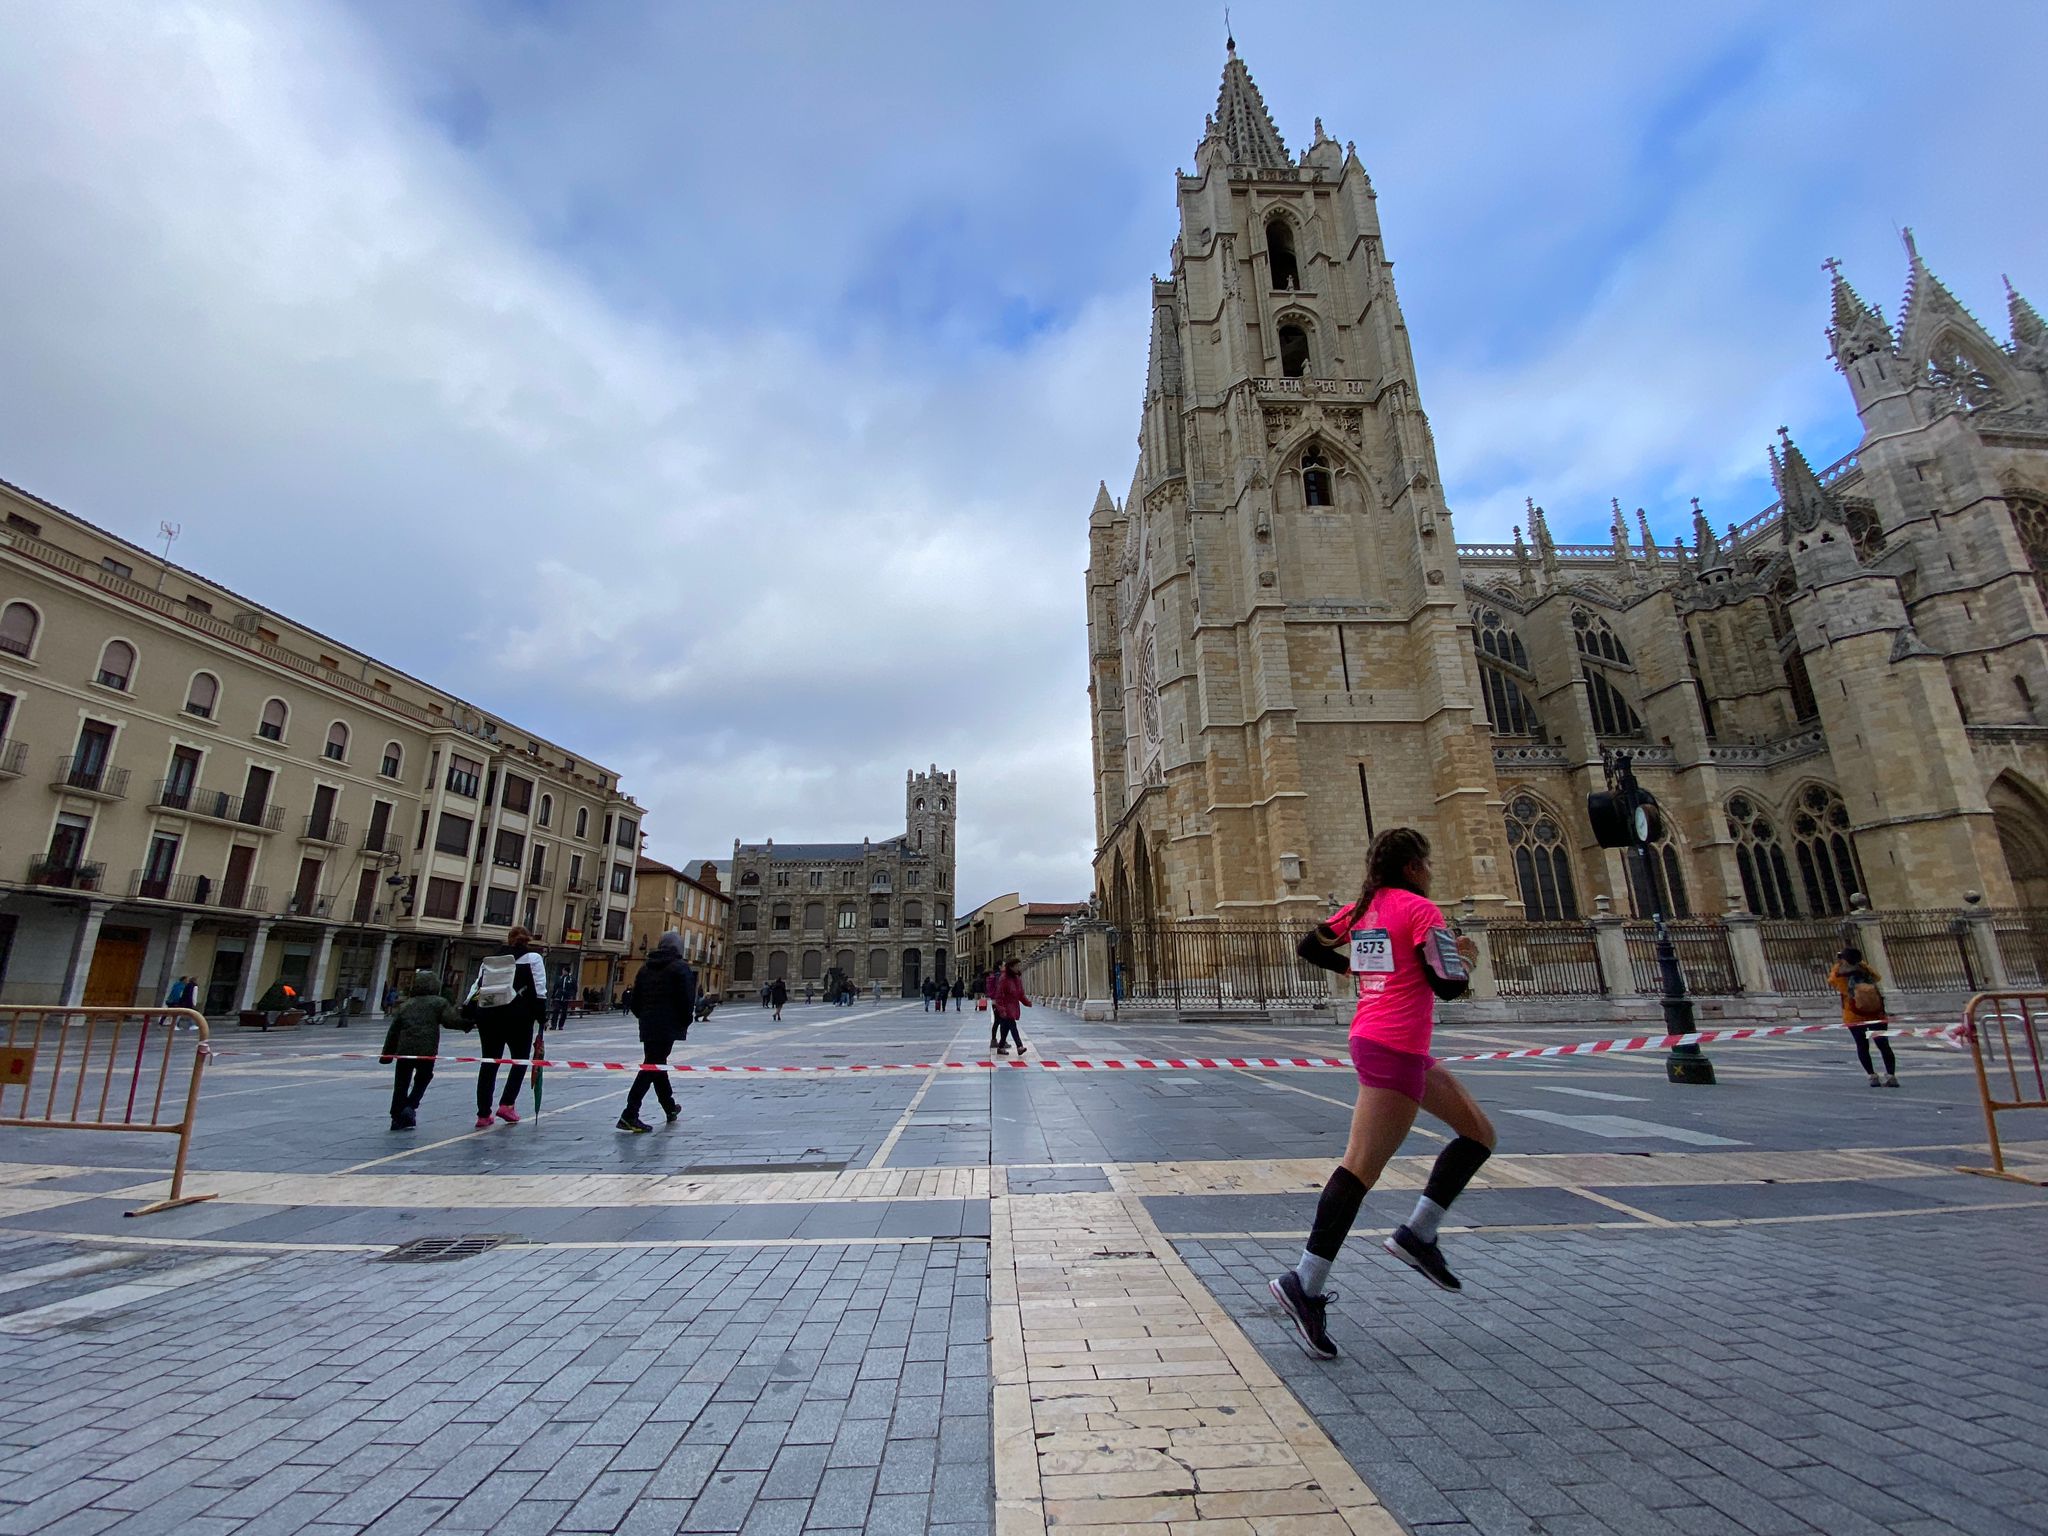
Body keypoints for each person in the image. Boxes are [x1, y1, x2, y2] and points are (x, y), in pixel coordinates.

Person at [1266, 826, 1494, 1362]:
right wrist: (1465, 959)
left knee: (1479, 1134)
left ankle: (1419, 1234)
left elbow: (1308, 945)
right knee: (1358, 1169)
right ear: (1415, 866)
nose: (1431, 871)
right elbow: (1448, 987)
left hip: (1386, 1039)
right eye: (1428, 862)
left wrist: (1358, 969)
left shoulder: (1361, 909)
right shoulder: (1421, 911)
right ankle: (1306, 1282)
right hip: (1393, 1045)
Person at [468, 928, 547, 1130]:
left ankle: (483, 1114)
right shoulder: (533, 958)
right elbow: (539, 989)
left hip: (489, 1016)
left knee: (489, 1062)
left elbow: (477, 987)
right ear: (527, 940)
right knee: (519, 1060)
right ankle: (507, 1104)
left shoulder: (491, 959)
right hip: (518, 1016)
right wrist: (542, 1017)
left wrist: (469, 1011)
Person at [618, 931, 695, 1132]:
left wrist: (646, 1017)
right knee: (651, 1066)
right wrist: (684, 1021)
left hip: (648, 1024)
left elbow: (634, 1001)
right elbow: (686, 999)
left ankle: (669, 1107)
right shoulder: (680, 968)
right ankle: (629, 1114)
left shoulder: (645, 969)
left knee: (656, 1065)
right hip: (668, 1025)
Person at [380, 969, 461, 1130]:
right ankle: (411, 1106)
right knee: (423, 1077)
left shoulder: (406, 1005)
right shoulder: (438, 1002)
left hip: (404, 1049)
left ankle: (396, 1116)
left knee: (401, 1082)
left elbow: (393, 1032)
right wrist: (468, 1023)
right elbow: (450, 1021)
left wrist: (387, 1054)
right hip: (426, 1050)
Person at [1828, 946, 1898, 1088]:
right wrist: (1861, 965)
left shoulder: (1839, 973)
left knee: (1862, 1045)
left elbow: (1831, 981)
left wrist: (1840, 964)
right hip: (1875, 1012)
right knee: (1883, 1044)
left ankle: (1872, 1076)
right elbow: (1877, 977)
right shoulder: (1863, 969)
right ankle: (1891, 1075)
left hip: (1854, 1014)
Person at [990, 958, 1030, 1055]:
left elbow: (1020, 993)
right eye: (1016, 966)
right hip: (1005, 1007)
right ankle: (1019, 1046)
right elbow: (999, 995)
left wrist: (1027, 1002)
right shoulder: (1004, 979)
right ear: (1011, 967)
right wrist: (1001, 1009)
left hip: (1013, 1007)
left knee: (1005, 1028)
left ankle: (1000, 1047)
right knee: (1012, 1025)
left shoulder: (1017, 979)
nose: (1018, 968)